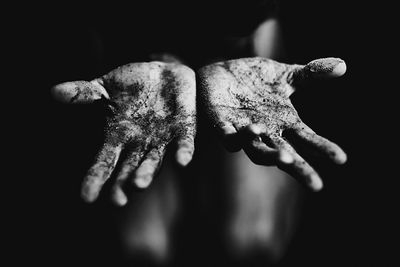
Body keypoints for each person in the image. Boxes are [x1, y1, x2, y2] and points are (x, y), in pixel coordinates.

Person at [49, 1, 347, 266]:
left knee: (250, 241)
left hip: (244, 30)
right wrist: (143, 55)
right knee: (141, 248)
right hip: (125, 22)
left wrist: (241, 50)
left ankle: (240, 51)